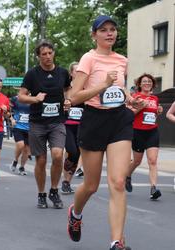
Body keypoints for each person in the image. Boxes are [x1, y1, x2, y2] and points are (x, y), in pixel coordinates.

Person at [67, 15, 143, 250]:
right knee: (90, 185)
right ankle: (75, 213)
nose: (109, 33)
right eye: (103, 30)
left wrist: (133, 101)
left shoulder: (122, 60)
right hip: (94, 120)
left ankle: (116, 243)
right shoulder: (88, 59)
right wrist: (102, 85)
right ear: (94, 35)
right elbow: (74, 97)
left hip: (119, 119)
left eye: (112, 29)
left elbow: (119, 91)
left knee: (118, 182)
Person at [18, 40, 71, 209]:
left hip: (57, 121)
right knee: (41, 161)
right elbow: (21, 96)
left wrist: (68, 99)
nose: (47, 57)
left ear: (53, 53)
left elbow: (68, 89)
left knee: (57, 155)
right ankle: (41, 193)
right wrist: (35, 99)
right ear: (38, 56)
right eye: (44, 54)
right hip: (38, 123)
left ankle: (54, 190)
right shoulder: (32, 74)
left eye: (50, 53)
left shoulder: (62, 73)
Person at [125, 73, 163, 200]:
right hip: (138, 132)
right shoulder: (135, 97)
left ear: (152, 84)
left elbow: (152, 116)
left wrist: (158, 111)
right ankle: (127, 175)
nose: (147, 83)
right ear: (140, 84)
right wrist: (141, 107)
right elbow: (129, 114)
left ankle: (153, 188)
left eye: (149, 82)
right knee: (137, 161)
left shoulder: (154, 99)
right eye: (144, 81)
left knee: (152, 160)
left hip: (152, 131)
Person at [61, 62, 84, 194]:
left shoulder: (86, 89)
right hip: (67, 126)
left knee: (77, 155)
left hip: (81, 126)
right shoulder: (66, 90)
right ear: (71, 73)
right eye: (77, 71)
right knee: (71, 152)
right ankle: (65, 179)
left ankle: (66, 182)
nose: (79, 73)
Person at [9, 94, 30, 175]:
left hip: (30, 128)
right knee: (20, 145)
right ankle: (15, 160)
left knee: (27, 150)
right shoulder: (15, 99)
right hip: (18, 126)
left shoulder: (34, 99)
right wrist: (12, 119)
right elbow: (8, 110)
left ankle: (22, 167)